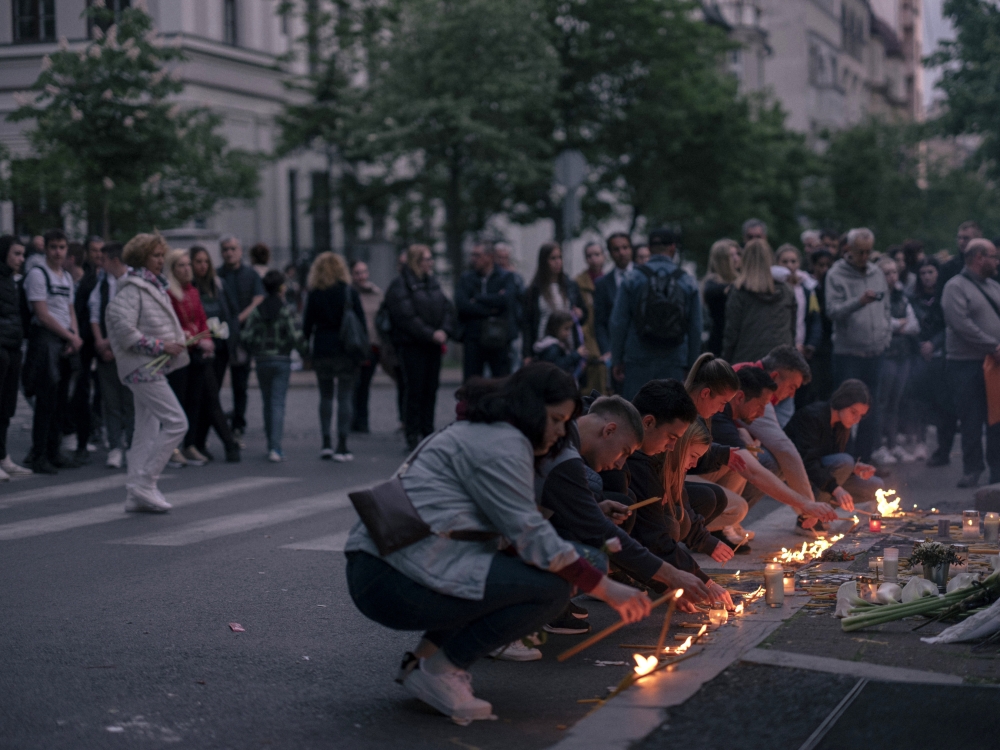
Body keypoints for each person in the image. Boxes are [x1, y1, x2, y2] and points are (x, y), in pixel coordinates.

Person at [345, 364, 654, 721]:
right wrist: (606, 589)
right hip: (390, 575)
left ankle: (424, 664)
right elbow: (531, 535)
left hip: (386, 563)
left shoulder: (483, 431)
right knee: (553, 587)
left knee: (513, 571)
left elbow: (512, 532)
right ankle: (442, 671)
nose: (560, 431)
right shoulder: (504, 443)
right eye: (556, 419)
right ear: (529, 406)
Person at [538, 394, 711, 633]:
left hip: (510, 537)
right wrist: (671, 576)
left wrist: (596, 508)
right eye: (624, 452)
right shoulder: (563, 458)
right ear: (609, 430)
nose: (620, 465)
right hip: (488, 551)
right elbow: (599, 530)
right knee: (595, 560)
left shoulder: (566, 445)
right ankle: (511, 623)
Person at [690, 363, 836, 539]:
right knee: (737, 507)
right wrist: (805, 504)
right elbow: (754, 473)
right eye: (760, 406)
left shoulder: (727, 417)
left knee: (745, 453)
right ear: (740, 397)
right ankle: (686, 530)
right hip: (678, 482)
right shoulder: (719, 419)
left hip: (693, 474)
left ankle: (714, 530)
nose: (761, 414)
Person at [621, 380, 734, 594]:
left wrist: (672, 581)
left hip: (620, 542)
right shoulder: (640, 465)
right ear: (648, 422)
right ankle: (614, 575)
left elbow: (678, 508)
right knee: (671, 523)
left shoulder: (650, 459)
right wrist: (692, 580)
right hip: (600, 547)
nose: (671, 447)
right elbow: (653, 536)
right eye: (672, 438)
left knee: (683, 515)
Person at [105, 234, 190, 512]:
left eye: (160, 254)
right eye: (155, 255)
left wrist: (172, 342)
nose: (160, 260)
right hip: (142, 368)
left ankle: (135, 493)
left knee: (146, 430)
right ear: (142, 258)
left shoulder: (150, 286)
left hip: (147, 366)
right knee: (177, 422)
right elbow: (126, 333)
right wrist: (162, 346)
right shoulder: (133, 288)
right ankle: (145, 483)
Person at [609, 229, 702, 400]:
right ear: (673, 248)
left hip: (638, 357)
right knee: (669, 416)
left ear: (649, 248)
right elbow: (695, 326)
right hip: (674, 358)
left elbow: (618, 322)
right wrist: (691, 364)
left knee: (636, 415)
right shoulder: (687, 281)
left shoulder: (632, 278)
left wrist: (617, 359)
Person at [824, 228, 891, 464]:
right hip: (848, 353)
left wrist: (886, 336)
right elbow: (832, 311)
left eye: (868, 252)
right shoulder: (836, 274)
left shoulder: (876, 273)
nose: (864, 256)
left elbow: (886, 307)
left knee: (871, 408)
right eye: (859, 252)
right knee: (847, 407)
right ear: (849, 250)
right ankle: (845, 459)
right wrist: (858, 302)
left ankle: (865, 460)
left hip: (876, 350)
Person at [22, 229, 84, 475]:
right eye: (53, 247)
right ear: (45, 249)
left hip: (65, 339)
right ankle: (39, 454)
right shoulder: (38, 275)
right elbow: (42, 313)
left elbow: (70, 310)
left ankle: (54, 450)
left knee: (61, 399)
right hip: (46, 339)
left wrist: (74, 336)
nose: (58, 252)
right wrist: (69, 335)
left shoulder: (66, 277)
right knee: (46, 399)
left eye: (61, 247)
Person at [385, 245, 456, 451]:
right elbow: (406, 316)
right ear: (417, 261)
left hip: (433, 345)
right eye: (427, 259)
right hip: (412, 345)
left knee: (431, 388)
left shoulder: (432, 283)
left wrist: (443, 330)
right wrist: (430, 333)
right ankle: (412, 432)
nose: (431, 262)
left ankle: (428, 430)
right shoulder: (401, 284)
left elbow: (446, 309)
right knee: (414, 389)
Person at [942, 238, 1000, 488]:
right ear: (978, 257)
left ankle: (997, 470)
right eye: (993, 256)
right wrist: (993, 345)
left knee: (996, 418)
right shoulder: (955, 287)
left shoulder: (994, 286)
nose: (997, 261)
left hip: (994, 363)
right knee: (971, 418)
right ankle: (972, 469)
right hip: (966, 363)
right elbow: (961, 324)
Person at [303, 252, 366, 461]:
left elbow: (306, 326)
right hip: (346, 350)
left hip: (322, 349)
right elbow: (361, 324)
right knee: (345, 397)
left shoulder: (315, 294)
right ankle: (342, 444)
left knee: (326, 396)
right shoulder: (349, 292)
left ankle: (326, 443)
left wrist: (306, 352)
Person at [785, 379, 884, 511]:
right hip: (801, 478)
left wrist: (855, 468)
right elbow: (808, 462)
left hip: (822, 478)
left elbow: (833, 459)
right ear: (843, 402)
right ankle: (810, 517)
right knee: (845, 462)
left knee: (875, 486)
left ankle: (824, 510)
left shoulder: (842, 425)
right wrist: (836, 489)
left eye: (861, 415)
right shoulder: (812, 417)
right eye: (853, 412)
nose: (857, 419)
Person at [242, 270, 307, 462]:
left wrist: (255, 348)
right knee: (277, 403)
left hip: (262, 360)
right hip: (282, 359)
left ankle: (270, 442)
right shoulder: (286, 310)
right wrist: (304, 352)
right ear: (281, 287)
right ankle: (275, 448)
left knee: (267, 401)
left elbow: (246, 336)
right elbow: (297, 337)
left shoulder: (258, 310)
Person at [190, 246, 240, 462]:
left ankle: (199, 442)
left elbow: (232, 312)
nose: (202, 265)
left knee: (209, 396)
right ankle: (229, 443)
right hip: (201, 349)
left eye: (205, 261)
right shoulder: (191, 288)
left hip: (220, 347)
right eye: (198, 261)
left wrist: (230, 335)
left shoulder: (218, 285)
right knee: (210, 397)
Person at [89, 243, 135, 470]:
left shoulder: (133, 282)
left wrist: (113, 342)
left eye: (104, 259)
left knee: (130, 400)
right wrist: (100, 342)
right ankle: (115, 445)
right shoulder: (102, 283)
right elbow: (94, 312)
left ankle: (133, 444)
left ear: (115, 260)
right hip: (108, 352)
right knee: (111, 401)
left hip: (128, 350)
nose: (100, 263)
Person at [871, 257, 919, 466]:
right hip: (885, 354)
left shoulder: (902, 295)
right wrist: (897, 324)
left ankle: (892, 443)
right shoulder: (876, 297)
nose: (891, 276)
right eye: (886, 272)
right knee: (881, 401)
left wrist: (897, 324)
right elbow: (878, 323)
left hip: (903, 354)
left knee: (895, 402)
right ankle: (878, 446)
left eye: (893, 272)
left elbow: (914, 325)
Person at [217, 235, 265, 443]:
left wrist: (238, 319)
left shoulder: (250, 274)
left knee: (240, 384)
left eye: (232, 248)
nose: (229, 252)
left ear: (240, 250)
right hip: (219, 335)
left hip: (242, 337)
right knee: (213, 383)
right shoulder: (217, 275)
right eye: (225, 249)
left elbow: (258, 299)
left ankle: (238, 422)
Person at [907, 258, 954, 465]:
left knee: (945, 406)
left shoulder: (946, 296)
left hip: (942, 357)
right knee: (918, 404)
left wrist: (933, 344)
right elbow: (909, 322)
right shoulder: (912, 298)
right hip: (917, 357)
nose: (927, 276)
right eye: (923, 272)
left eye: (931, 272)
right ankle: (919, 443)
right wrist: (919, 344)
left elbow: (950, 324)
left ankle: (943, 450)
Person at [721, 239, 795, 365]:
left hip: (747, 360)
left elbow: (732, 332)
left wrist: (725, 360)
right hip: (780, 361)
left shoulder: (739, 290)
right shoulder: (786, 290)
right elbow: (792, 329)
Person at [456, 243, 516, 381]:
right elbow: (463, 305)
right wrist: (491, 309)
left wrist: (477, 299)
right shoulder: (467, 278)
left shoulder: (506, 277)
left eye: (477, 255)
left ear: (489, 257)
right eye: (472, 255)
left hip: (499, 337)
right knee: (472, 381)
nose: (473, 259)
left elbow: (506, 300)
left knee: (501, 381)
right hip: (474, 337)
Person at [68, 237, 104, 460]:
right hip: (86, 340)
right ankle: (82, 438)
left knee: (106, 391)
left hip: (106, 341)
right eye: (94, 250)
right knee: (81, 390)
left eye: (102, 251)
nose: (98, 255)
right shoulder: (85, 277)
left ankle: (97, 427)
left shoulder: (110, 276)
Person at [521, 242, 586, 360]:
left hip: (568, 346)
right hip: (544, 347)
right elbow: (527, 324)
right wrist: (527, 354)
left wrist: (580, 314)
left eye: (560, 257)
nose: (557, 262)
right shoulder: (534, 290)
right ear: (544, 261)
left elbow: (583, 316)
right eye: (553, 258)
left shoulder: (570, 286)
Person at [0, 236, 31, 480]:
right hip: (2, 347)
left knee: (7, 406)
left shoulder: (12, 280)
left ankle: (3, 456)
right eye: (16, 254)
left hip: (12, 347)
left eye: (23, 254)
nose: (21, 259)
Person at [796, 248, 835, 406]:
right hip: (811, 344)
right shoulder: (807, 287)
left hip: (828, 344)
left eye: (827, 265)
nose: (824, 269)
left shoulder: (832, 287)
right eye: (821, 265)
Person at [593, 233, 633, 385]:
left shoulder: (644, 277)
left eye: (625, 247)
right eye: (616, 249)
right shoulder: (602, 284)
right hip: (616, 353)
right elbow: (600, 322)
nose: (622, 252)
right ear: (610, 253)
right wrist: (607, 350)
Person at [350, 260, 383, 434]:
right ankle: (353, 418)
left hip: (372, 345)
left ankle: (362, 419)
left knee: (364, 385)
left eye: (364, 272)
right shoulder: (349, 293)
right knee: (354, 384)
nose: (361, 276)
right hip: (354, 345)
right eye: (357, 272)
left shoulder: (377, 293)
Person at [574, 241, 607, 394]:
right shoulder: (578, 283)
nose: (593, 259)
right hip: (587, 335)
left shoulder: (610, 281)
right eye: (589, 256)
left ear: (604, 256)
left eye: (597, 254)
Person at [702, 239, 741, 356]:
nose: (736, 258)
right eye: (731, 255)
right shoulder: (713, 284)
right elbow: (716, 291)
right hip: (720, 344)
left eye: (737, 254)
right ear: (722, 260)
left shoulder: (736, 280)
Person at [532, 310, 587, 377]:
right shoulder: (552, 348)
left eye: (570, 329)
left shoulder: (561, 344)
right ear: (555, 328)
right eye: (566, 329)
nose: (568, 333)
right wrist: (576, 355)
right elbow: (557, 366)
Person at [939, 220, 983, 288]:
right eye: (959, 238)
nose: (961, 242)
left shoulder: (987, 265)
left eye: (966, 238)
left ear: (977, 239)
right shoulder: (949, 268)